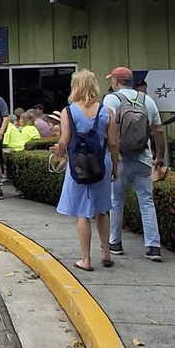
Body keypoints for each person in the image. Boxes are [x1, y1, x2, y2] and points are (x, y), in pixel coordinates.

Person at [52, 69, 120, 272]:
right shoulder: (106, 111)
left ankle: (85, 259)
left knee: (83, 212)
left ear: (76, 86)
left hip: (78, 163)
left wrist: (58, 151)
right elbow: (113, 143)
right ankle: (106, 253)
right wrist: (115, 166)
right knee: (102, 208)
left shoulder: (68, 111)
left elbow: (64, 141)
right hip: (101, 161)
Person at [104, 66, 166, 262]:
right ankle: (153, 246)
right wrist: (159, 155)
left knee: (115, 202)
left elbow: (107, 128)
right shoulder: (147, 100)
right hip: (143, 158)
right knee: (146, 202)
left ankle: (115, 242)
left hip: (120, 159)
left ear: (115, 81)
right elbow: (158, 130)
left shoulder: (111, 99)